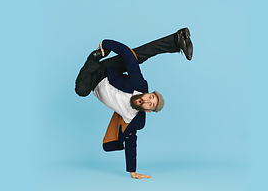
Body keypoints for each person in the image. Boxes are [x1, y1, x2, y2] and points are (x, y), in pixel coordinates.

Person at [75, 27, 193, 179]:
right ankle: (178, 37)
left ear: (148, 110)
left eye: (150, 103)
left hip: (94, 81)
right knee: (135, 56)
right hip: (108, 71)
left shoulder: (134, 119)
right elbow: (127, 56)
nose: (147, 100)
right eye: (150, 97)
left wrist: (133, 171)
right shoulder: (139, 85)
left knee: (81, 90)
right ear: (148, 93)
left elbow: (131, 141)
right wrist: (106, 44)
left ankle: (92, 59)